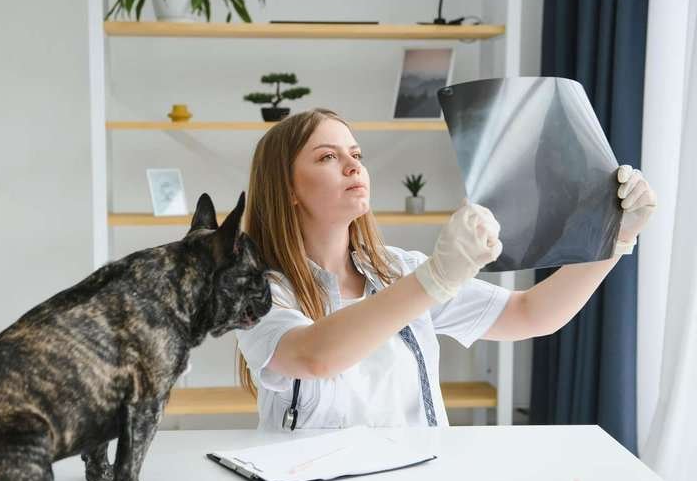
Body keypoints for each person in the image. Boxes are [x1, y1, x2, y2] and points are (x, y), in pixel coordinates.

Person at [235, 108, 656, 430]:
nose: (353, 166)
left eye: (357, 154)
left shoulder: (400, 270)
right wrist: (435, 279)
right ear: (286, 188)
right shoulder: (255, 290)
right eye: (327, 156)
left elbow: (531, 314)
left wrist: (614, 240)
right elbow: (314, 357)